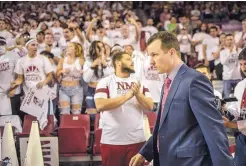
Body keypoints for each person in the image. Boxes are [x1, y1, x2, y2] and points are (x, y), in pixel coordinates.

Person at [130, 31, 233, 166]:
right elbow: (164, 126)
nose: (151, 61)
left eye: (154, 55)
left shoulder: (195, 80)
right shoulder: (167, 82)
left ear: (171, 52)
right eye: (150, 55)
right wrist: (145, 152)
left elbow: (213, 129)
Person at [94, 51, 154, 166]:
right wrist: (126, 96)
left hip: (137, 140)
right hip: (112, 141)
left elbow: (150, 106)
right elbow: (100, 105)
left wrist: (138, 94)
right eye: (127, 59)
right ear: (118, 63)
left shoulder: (138, 83)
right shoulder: (105, 82)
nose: (131, 61)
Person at [56, 42, 84, 114]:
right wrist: (63, 71)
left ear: (75, 49)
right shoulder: (62, 60)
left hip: (77, 89)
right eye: (68, 46)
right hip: (63, 89)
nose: (68, 48)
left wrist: (82, 72)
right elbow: (57, 74)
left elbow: (87, 73)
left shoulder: (80, 60)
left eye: (70, 46)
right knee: (64, 112)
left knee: (76, 113)